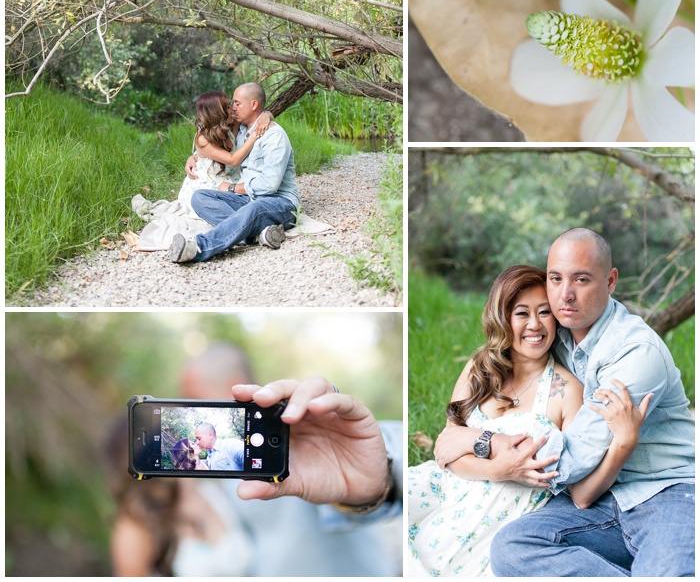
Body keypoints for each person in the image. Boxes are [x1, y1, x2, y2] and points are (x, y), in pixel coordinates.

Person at [435, 228, 695, 577]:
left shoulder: (635, 354)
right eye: (555, 279)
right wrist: (485, 441)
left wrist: (473, 442)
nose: (565, 295)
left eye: (582, 279)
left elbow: (566, 463)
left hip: (665, 494)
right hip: (601, 502)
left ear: (611, 281)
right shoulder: (555, 338)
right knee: (512, 549)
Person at [408, 264, 647, 576]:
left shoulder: (568, 392)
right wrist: (497, 464)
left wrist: (623, 444)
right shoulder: (480, 368)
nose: (535, 325)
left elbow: (580, 492)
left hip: (502, 516)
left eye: (544, 312)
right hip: (447, 487)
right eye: (522, 313)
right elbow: (444, 448)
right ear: (503, 318)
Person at [110, 342, 403, 577]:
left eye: (193, 397)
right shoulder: (216, 480)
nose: (187, 408)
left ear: (234, 385)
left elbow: (379, 469)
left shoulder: (307, 434)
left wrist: (381, 475)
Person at [169, 83, 300, 263]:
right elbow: (213, 144)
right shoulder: (242, 129)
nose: (233, 108)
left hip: (280, 203)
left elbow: (270, 186)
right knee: (199, 198)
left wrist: (232, 188)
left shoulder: (273, 136)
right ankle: (256, 234)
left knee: (253, 209)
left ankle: (199, 247)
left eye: (237, 104)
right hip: (249, 200)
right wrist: (194, 157)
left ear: (253, 105)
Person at [176, 90, 271, 213]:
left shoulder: (232, 123)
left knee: (250, 202)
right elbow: (233, 160)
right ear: (217, 113)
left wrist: (266, 115)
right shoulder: (202, 138)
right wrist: (254, 135)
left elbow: (257, 113)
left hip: (231, 179)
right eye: (228, 107)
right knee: (217, 207)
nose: (233, 109)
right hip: (208, 184)